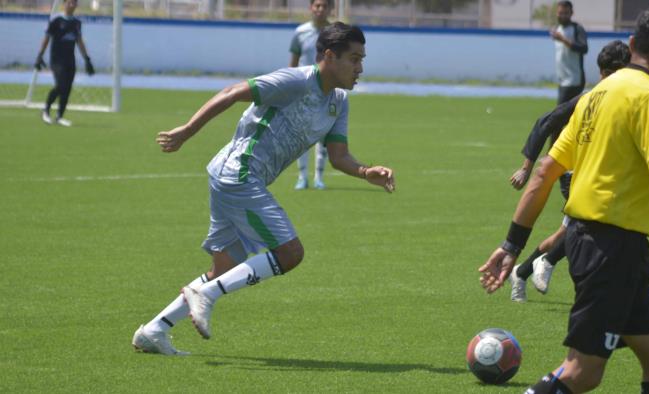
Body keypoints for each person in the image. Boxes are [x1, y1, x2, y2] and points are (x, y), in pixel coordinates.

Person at [132, 22, 395, 355]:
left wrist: (365, 171)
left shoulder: (338, 102)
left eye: (362, 59)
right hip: (239, 173)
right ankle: (206, 294)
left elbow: (338, 155)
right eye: (354, 59)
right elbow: (232, 93)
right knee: (290, 253)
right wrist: (187, 131)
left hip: (234, 177)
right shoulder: (295, 81)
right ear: (329, 56)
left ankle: (154, 330)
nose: (360, 68)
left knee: (224, 268)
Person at [479, 5, 649, 393]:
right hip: (612, 247)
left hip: (588, 240)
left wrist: (512, 242)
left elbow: (545, 171)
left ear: (631, 45)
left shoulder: (598, 94)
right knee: (582, 372)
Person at [507, 40, 631, 302]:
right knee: (588, 226)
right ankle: (548, 262)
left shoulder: (624, 99)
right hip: (573, 173)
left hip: (596, 174)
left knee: (570, 232)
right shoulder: (590, 98)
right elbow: (545, 122)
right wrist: (526, 167)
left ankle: (522, 271)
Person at [290, 0, 333, 190]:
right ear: (311, 8)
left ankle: (318, 178)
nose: (320, 9)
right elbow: (293, 63)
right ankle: (302, 177)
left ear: (330, 8)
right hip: (303, 90)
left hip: (327, 90)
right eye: (317, 5)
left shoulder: (336, 33)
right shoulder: (300, 32)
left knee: (323, 134)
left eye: (324, 6)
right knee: (302, 134)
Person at [34, 0, 95, 127]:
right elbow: (46, 38)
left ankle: (59, 116)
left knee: (67, 88)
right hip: (57, 60)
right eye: (69, 2)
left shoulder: (76, 23)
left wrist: (87, 60)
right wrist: (40, 56)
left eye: (74, 3)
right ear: (64, 4)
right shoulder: (56, 21)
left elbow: (79, 41)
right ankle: (45, 111)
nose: (72, 5)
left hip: (70, 60)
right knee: (61, 85)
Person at [551, 1, 588, 105]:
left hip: (574, 80)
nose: (562, 16)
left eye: (565, 13)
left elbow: (584, 48)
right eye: (560, 13)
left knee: (560, 115)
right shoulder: (558, 29)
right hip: (562, 79)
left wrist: (563, 39)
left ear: (571, 13)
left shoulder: (577, 29)